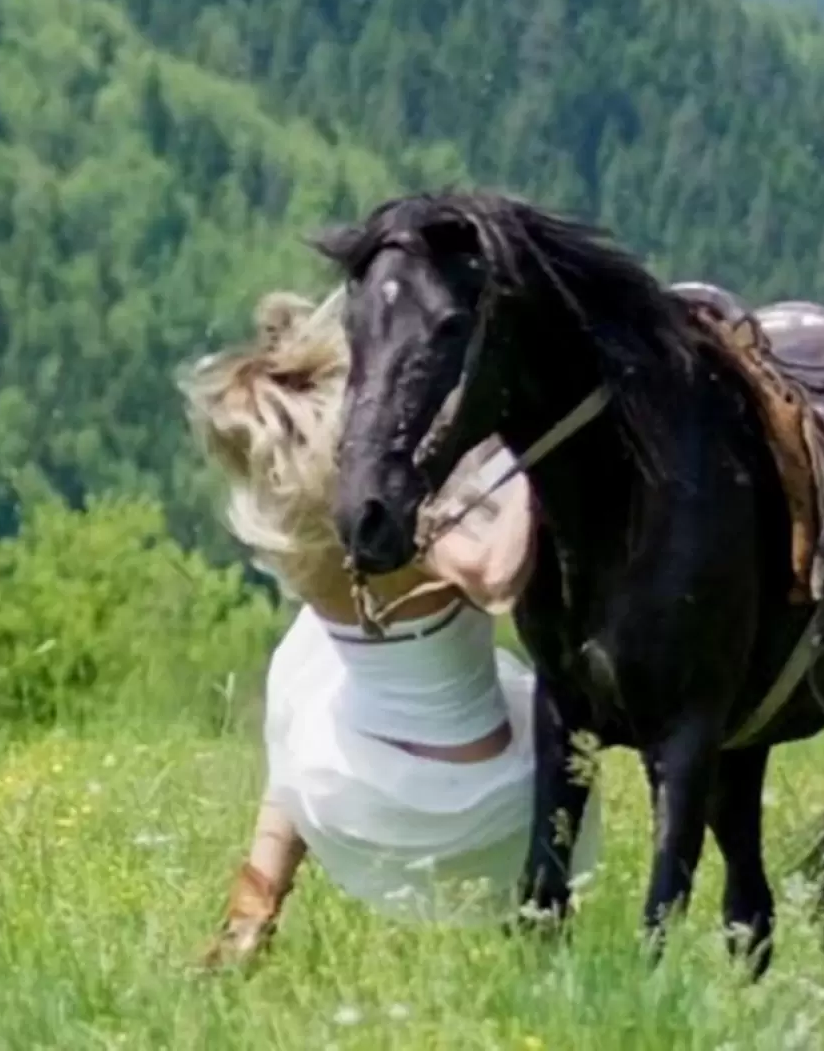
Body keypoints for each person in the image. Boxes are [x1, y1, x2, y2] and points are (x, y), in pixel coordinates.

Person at [176, 288, 601, 967]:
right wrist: (532, 465)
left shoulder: (300, 535)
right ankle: (542, 935)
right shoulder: (409, 523)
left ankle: (251, 917)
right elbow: (494, 576)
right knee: (311, 676)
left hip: (357, 800)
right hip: (493, 806)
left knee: (304, 669)